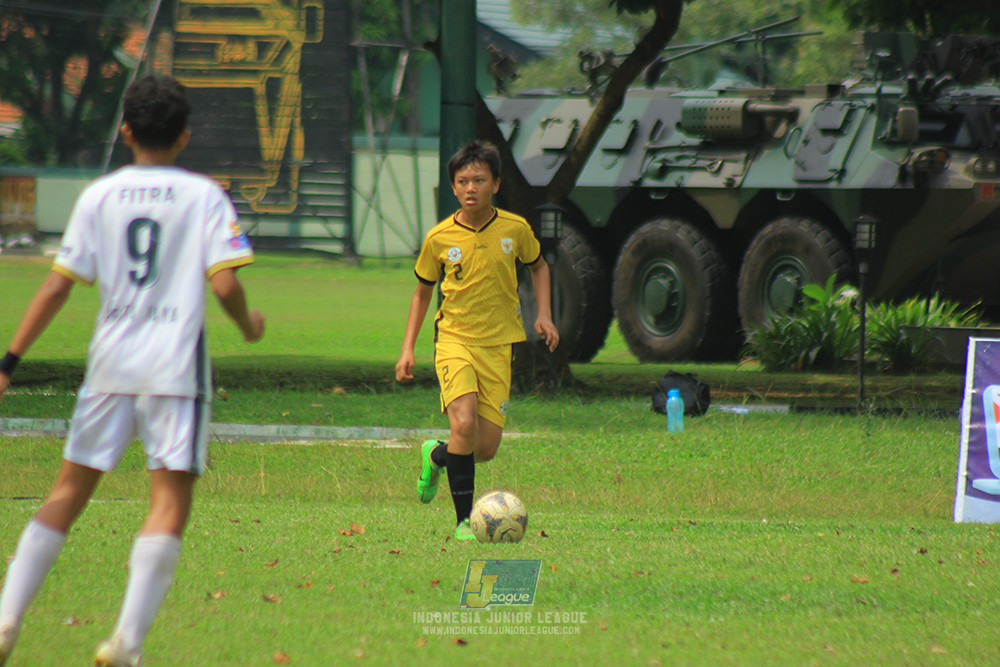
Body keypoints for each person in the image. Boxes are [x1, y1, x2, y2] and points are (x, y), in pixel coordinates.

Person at [0, 74, 265, 667]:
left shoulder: (100, 195)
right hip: (174, 368)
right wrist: (249, 327)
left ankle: (5, 619)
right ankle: (126, 642)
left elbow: (55, 285)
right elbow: (224, 283)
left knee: (67, 491)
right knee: (168, 499)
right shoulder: (203, 196)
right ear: (185, 135)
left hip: (110, 364)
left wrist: (8, 362)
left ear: (126, 132)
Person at [395, 140, 559, 540]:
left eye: (479, 180)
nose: (471, 188)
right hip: (454, 341)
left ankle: (436, 455)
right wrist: (407, 349)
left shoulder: (514, 229)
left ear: (496, 184)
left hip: (500, 345)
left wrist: (545, 315)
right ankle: (463, 522)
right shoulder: (439, 238)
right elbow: (421, 292)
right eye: (463, 181)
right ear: (453, 188)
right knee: (464, 424)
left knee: (484, 448)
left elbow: (539, 267)